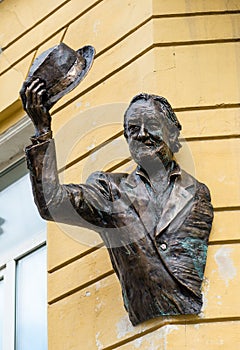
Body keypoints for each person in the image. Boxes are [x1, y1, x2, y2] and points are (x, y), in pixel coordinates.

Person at [22, 79, 213, 326]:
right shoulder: (109, 190)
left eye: (152, 125)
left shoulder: (198, 193)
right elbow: (53, 202)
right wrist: (42, 132)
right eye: (133, 129)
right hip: (144, 310)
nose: (142, 134)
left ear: (172, 134)